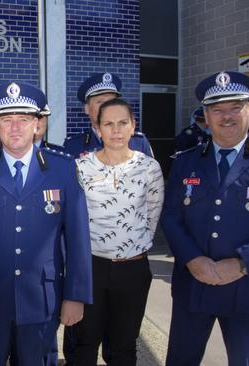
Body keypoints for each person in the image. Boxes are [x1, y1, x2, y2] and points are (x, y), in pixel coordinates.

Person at [0, 81, 93, 365]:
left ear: (37, 125)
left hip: (41, 299)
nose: (15, 127)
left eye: (24, 120)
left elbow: (78, 237)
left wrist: (76, 295)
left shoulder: (63, 168)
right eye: (7, 120)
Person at [162, 71, 249, 366]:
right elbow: (171, 217)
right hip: (195, 286)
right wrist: (194, 260)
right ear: (206, 115)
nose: (226, 116)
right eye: (217, 109)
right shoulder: (186, 161)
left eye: (235, 107)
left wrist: (244, 263)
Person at [73, 98, 164, 365]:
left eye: (123, 123)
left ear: (133, 126)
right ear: (97, 128)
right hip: (91, 268)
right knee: (85, 342)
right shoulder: (82, 167)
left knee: (124, 346)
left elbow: (152, 215)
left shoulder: (149, 168)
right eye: (108, 124)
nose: (116, 130)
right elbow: (75, 219)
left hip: (132, 269)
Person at [64, 73, 153, 158]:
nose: (107, 107)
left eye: (111, 101)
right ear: (87, 109)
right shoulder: (73, 145)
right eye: (100, 102)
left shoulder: (138, 142)